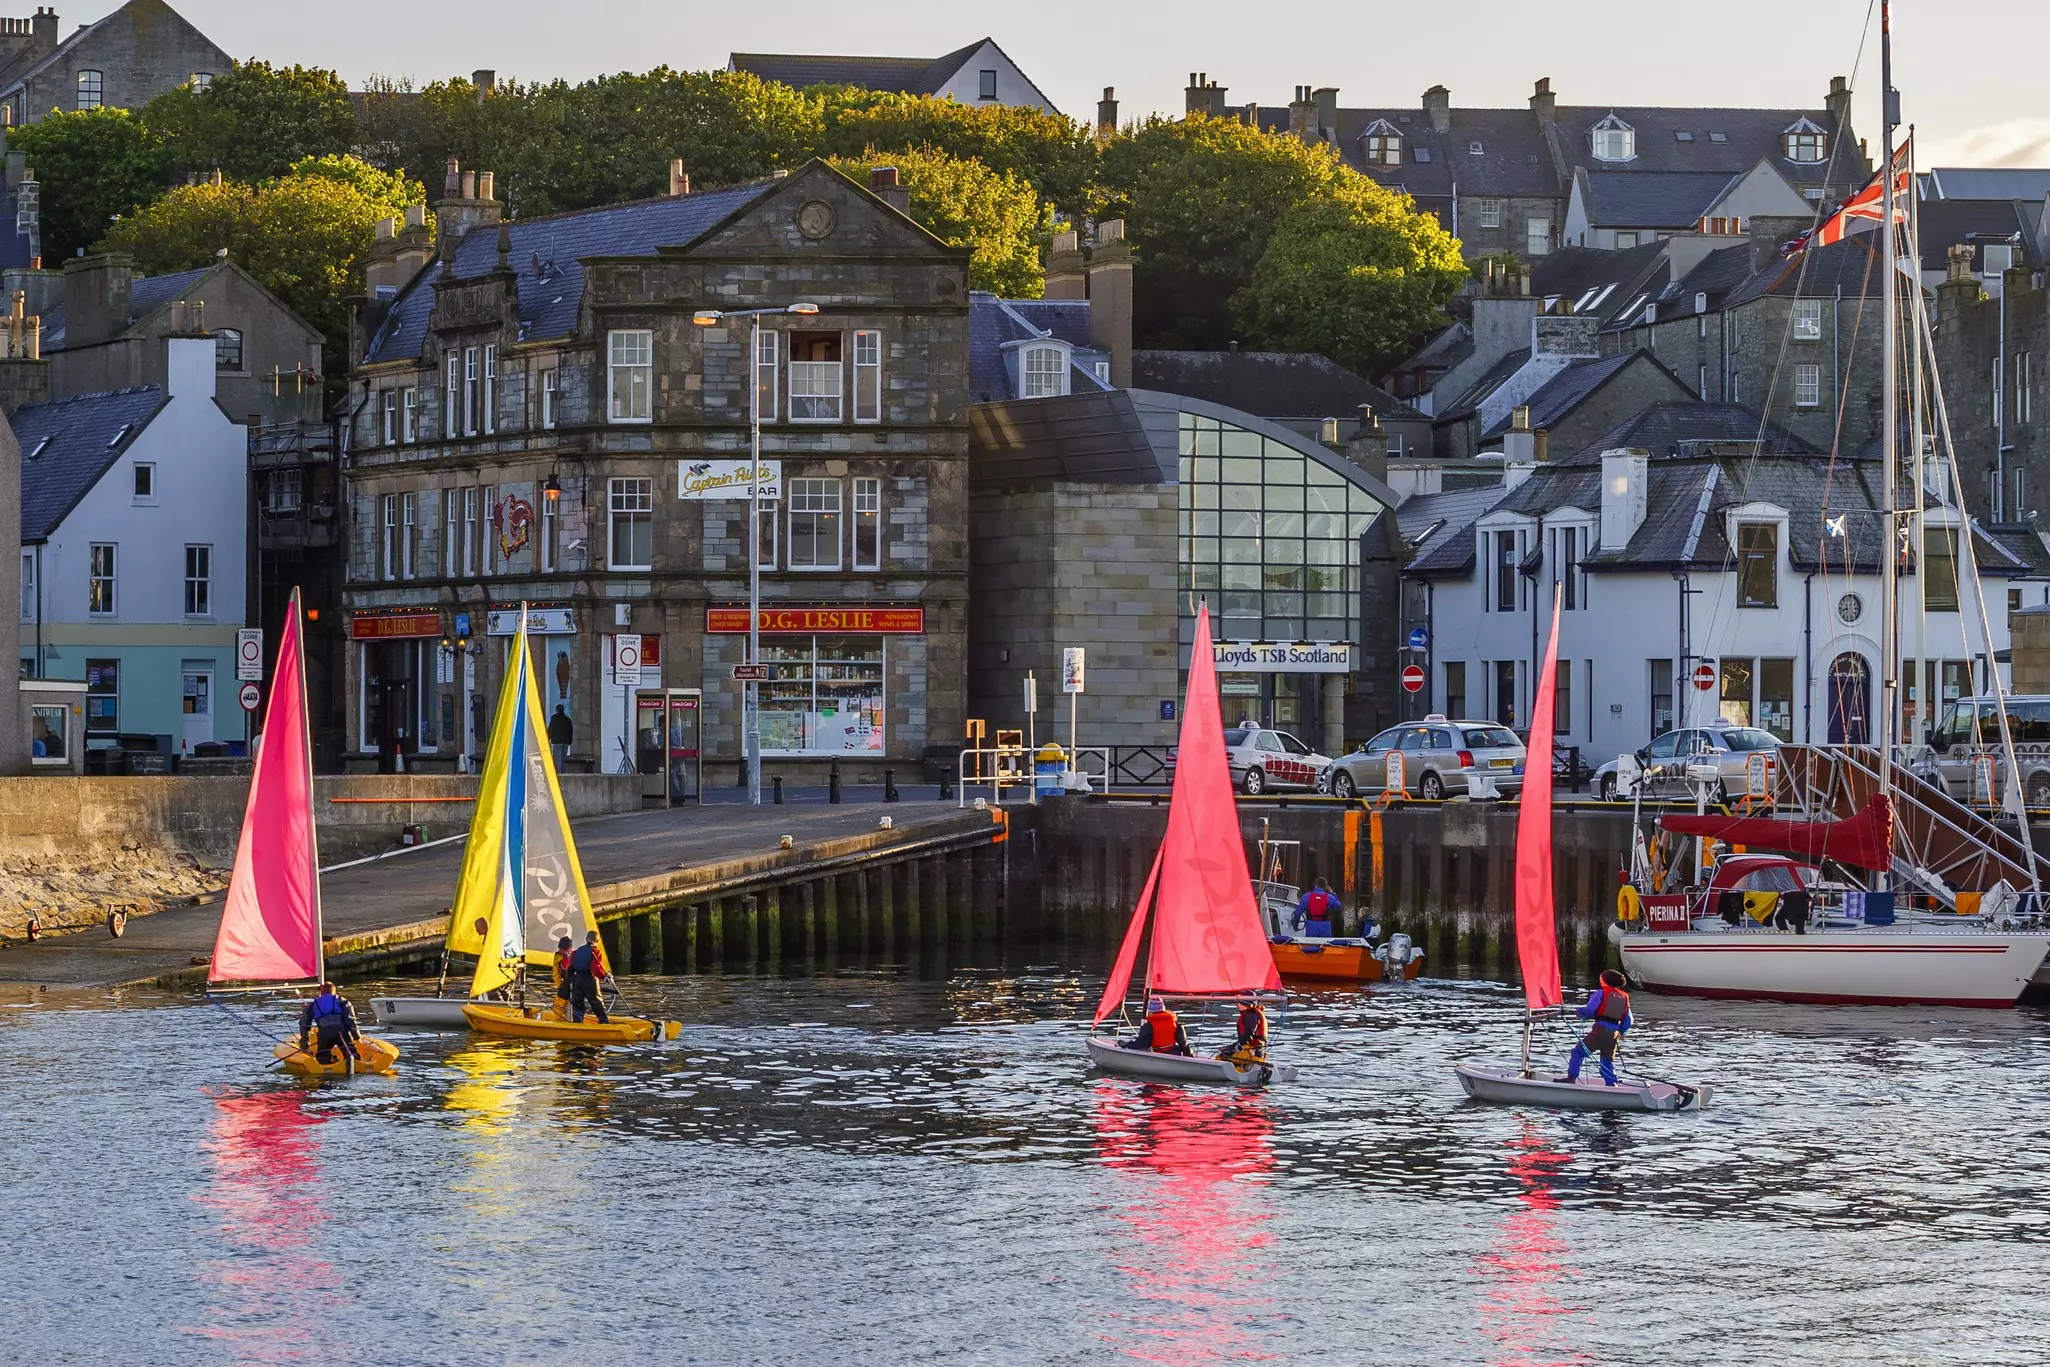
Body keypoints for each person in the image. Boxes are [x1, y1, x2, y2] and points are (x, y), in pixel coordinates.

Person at [1562, 970, 1633, 1086]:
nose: (1600, 980)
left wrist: (1579, 1012)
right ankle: (1612, 1084)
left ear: (1605, 980)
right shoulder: (1624, 997)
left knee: (1578, 1052)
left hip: (1601, 1029)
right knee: (1607, 1060)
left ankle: (1571, 1078)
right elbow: (1628, 1020)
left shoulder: (1601, 993)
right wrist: (1620, 1030)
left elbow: (1590, 1011)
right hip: (1614, 1032)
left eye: (1601, 978)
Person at [298, 982, 362, 1065]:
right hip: (342, 1033)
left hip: (325, 1035)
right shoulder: (343, 1002)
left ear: (321, 992)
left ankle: (328, 1064)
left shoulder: (313, 1005)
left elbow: (304, 1025)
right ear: (334, 992)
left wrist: (305, 1045)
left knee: (323, 1056)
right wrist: (357, 1037)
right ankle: (353, 1062)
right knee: (350, 1051)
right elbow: (351, 1021)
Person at [565, 929, 611, 1024]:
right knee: (596, 1002)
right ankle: (604, 1022)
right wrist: (605, 977)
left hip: (576, 980)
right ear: (597, 941)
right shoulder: (595, 952)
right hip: (590, 980)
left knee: (577, 1004)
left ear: (586, 939)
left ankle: (577, 1024)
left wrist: (569, 981)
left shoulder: (576, 952)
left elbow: (569, 967)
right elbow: (595, 968)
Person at [1124, 996, 1192, 1056]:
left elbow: (1140, 1045)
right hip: (1174, 1054)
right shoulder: (1175, 1023)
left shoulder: (1148, 1026)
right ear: (1164, 1010)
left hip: (1158, 1055)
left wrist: (1126, 1045)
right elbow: (1184, 1044)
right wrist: (1190, 1057)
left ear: (1150, 1012)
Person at [1218, 995, 1268, 1063]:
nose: (1238, 1005)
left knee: (1220, 1057)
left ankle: (1238, 1070)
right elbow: (1245, 1039)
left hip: (1253, 1053)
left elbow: (1248, 1035)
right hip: (1256, 1051)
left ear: (1244, 1004)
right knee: (1225, 1051)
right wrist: (1230, 1047)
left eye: (1239, 1003)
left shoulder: (1251, 1015)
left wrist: (1236, 1047)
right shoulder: (1253, 1014)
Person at [551, 935, 574, 1012]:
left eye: (562, 949)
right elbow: (556, 973)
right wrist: (560, 986)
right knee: (558, 1004)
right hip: (567, 985)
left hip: (573, 984)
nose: (560, 950)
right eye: (560, 948)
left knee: (558, 1005)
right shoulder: (558, 956)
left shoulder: (574, 956)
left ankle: (560, 1022)